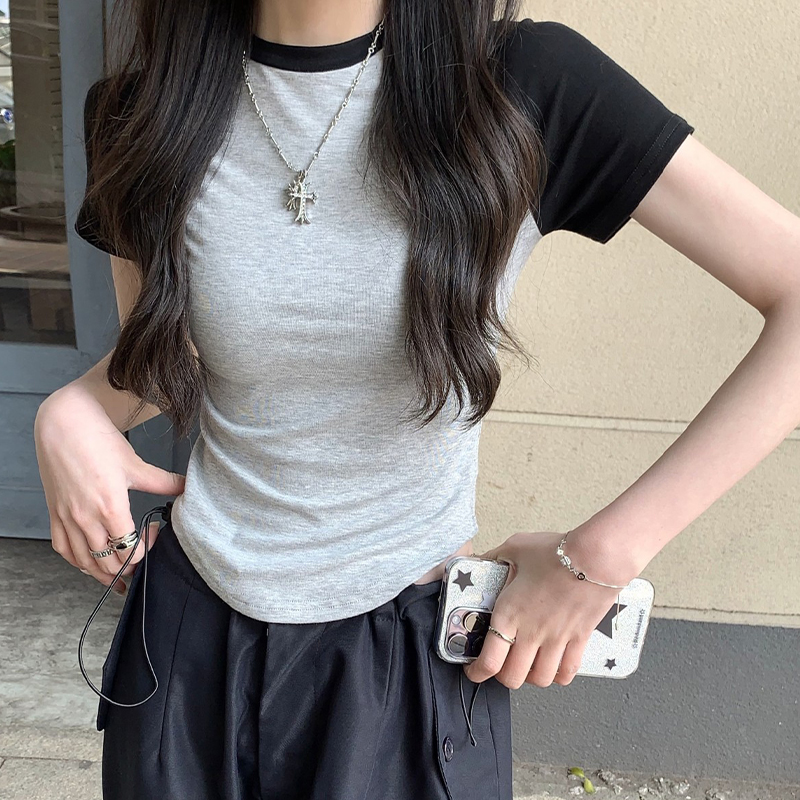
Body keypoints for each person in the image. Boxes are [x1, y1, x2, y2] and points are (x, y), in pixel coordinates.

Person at [34, 1, 800, 798]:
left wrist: (604, 555)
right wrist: (72, 411)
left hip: (404, 662)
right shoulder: (141, 110)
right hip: (186, 645)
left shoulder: (521, 85)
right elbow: (162, 363)